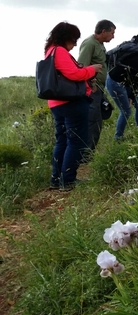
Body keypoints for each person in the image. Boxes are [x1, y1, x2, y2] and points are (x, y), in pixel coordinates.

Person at [43, 22, 101, 190]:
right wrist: (92, 70)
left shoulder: (50, 51)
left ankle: (56, 179)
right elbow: (74, 74)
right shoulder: (60, 51)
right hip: (71, 102)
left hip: (56, 103)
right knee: (76, 141)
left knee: (62, 141)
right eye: (74, 39)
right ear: (65, 38)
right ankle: (68, 180)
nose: (75, 44)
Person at [77, 19, 115, 152]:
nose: (113, 36)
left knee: (97, 120)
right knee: (91, 121)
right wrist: (90, 84)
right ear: (103, 31)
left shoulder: (100, 44)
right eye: (112, 33)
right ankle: (85, 153)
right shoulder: (89, 44)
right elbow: (81, 66)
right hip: (91, 89)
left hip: (98, 88)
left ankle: (89, 151)